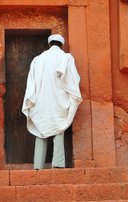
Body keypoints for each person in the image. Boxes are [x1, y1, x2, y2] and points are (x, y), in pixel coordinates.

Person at [22, 34, 82, 169]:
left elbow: (31, 83)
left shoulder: (38, 60)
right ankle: (58, 165)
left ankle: (38, 166)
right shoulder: (66, 58)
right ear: (61, 45)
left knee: (40, 130)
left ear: (50, 44)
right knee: (59, 129)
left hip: (40, 101)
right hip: (59, 100)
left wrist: (31, 100)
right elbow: (73, 80)